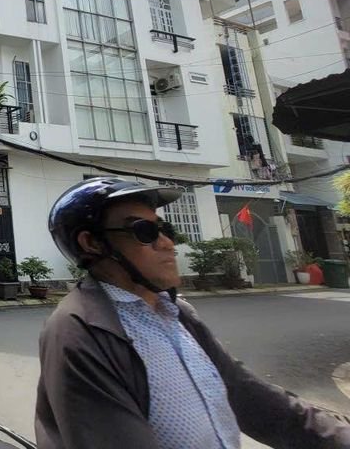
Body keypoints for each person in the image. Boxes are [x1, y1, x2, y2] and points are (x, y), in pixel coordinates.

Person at [35, 177, 350, 448]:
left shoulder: (177, 312)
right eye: (144, 231)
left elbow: (251, 397)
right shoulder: (79, 332)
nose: (167, 243)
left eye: (164, 229)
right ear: (92, 243)